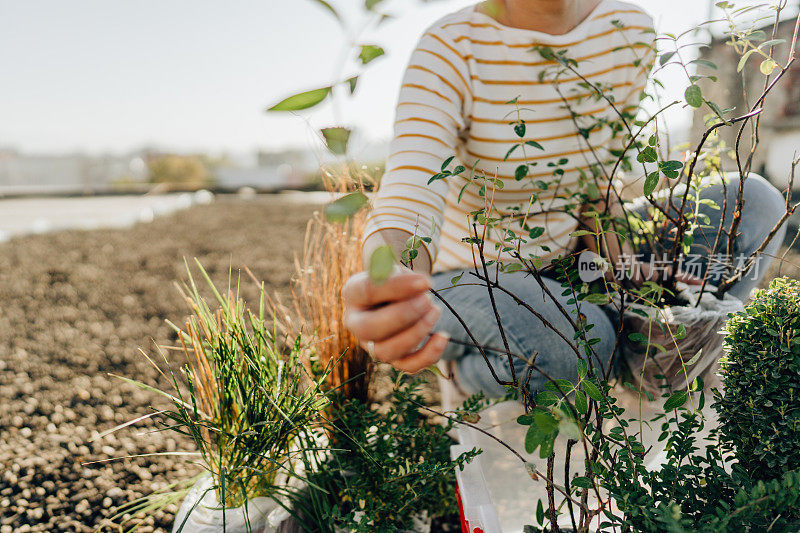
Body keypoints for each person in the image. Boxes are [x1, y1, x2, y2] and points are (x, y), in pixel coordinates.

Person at [342, 0, 787, 397]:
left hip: (571, 257)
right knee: (576, 343)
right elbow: (411, 191)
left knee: (757, 203)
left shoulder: (628, 29)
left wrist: (624, 284)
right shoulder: (451, 48)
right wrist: (393, 278)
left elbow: (597, 180)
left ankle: (660, 358)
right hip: (470, 274)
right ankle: (476, 370)